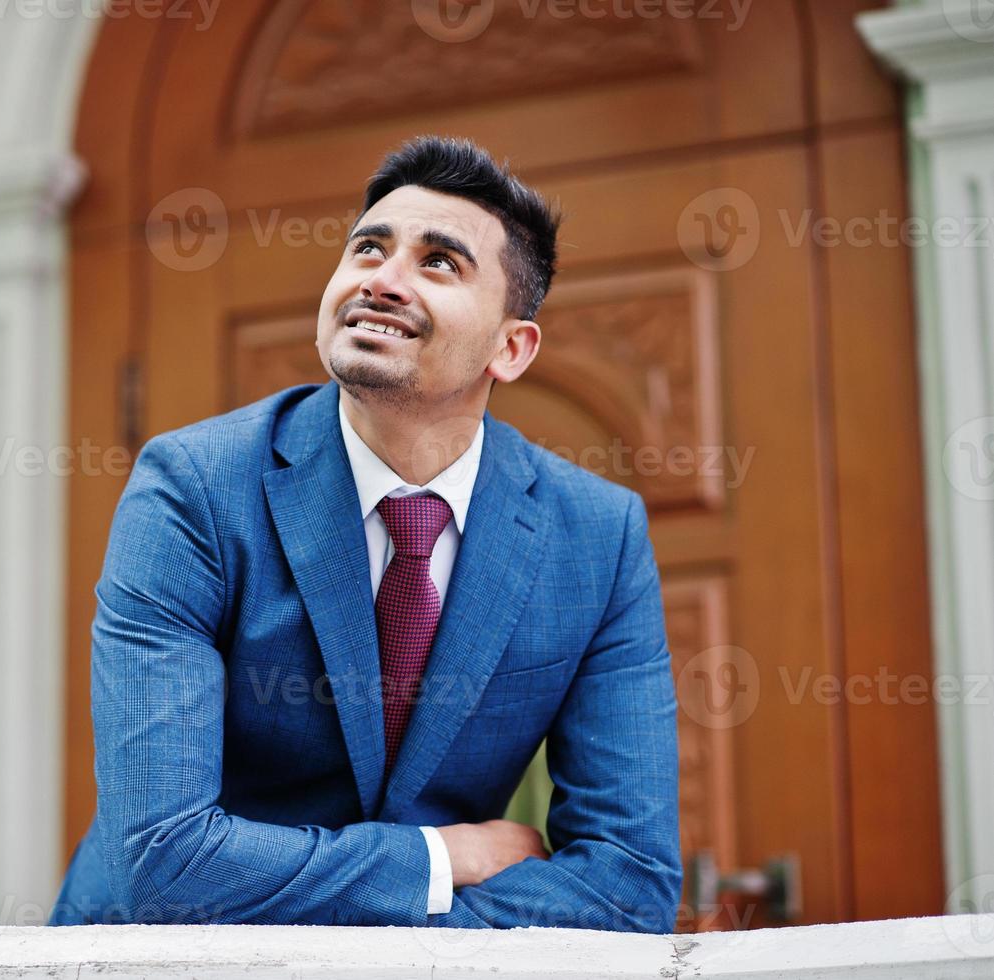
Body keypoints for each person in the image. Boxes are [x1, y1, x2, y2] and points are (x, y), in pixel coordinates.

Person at [48, 135, 681, 931]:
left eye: (438, 262)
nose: (381, 281)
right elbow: (167, 862)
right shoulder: (191, 490)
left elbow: (628, 881)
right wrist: (442, 860)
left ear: (509, 348)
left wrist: (404, 949)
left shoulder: (598, 537)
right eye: (367, 250)